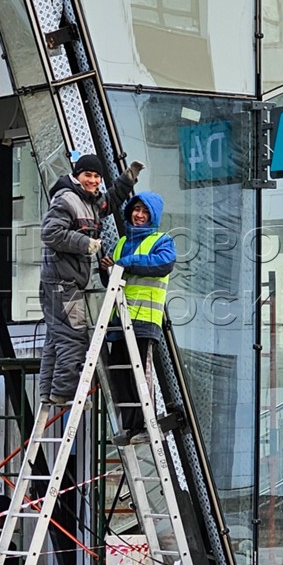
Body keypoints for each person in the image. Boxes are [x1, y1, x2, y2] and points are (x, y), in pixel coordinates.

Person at [38, 152, 142, 407]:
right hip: (62, 282)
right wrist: (86, 243)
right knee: (74, 336)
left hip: (65, 281)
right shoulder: (68, 199)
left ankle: (49, 391)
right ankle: (65, 393)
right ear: (77, 175)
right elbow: (50, 233)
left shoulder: (90, 201)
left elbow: (110, 202)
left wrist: (127, 180)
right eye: (88, 175)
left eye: (97, 176)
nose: (93, 180)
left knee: (57, 336)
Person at [103, 190, 176, 445]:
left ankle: (146, 423)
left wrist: (125, 262)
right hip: (119, 321)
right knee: (119, 376)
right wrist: (108, 268)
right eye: (136, 210)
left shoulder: (162, 241)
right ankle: (130, 427)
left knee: (140, 377)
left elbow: (163, 264)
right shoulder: (122, 243)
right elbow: (113, 278)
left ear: (153, 216)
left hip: (144, 320)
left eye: (145, 212)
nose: (139, 215)